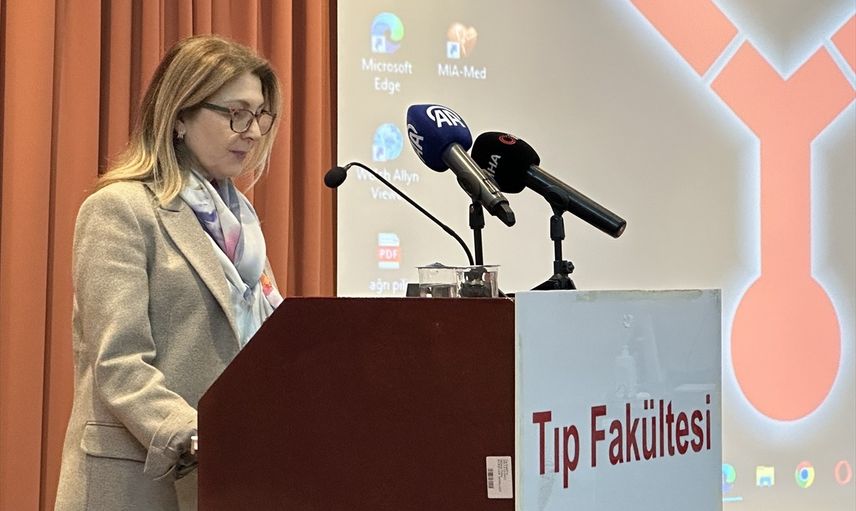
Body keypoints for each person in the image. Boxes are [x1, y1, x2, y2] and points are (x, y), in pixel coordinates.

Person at [55, 35, 284, 511]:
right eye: (236, 114)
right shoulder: (120, 209)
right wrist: (198, 434)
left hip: (232, 479)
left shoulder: (241, 227)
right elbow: (119, 362)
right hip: (139, 483)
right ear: (180, 115)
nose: (252, 132)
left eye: (260, 116)